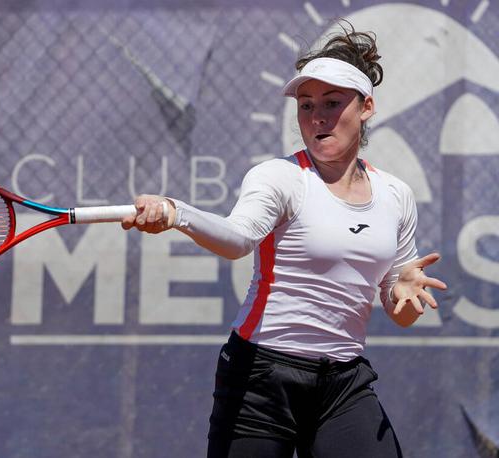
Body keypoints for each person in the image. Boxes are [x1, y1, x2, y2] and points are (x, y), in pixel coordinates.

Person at [121, 23, 447, 458]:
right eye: (306, 105)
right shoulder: (279, 177)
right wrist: (178, 213)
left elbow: (400, 312)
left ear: (366, 107)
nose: (317, 118)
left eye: (332, 104)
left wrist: (402, 293)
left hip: (343, 383)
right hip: (261, 378)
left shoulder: (396, 195)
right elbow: (238, 239)